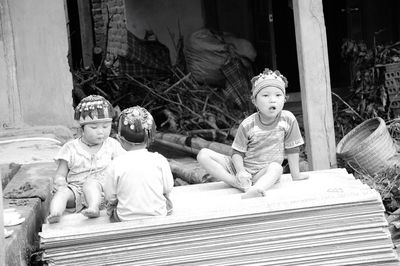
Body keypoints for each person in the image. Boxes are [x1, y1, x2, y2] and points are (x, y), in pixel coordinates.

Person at [197, 68, 308, 199]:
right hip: (241, 169)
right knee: (203, 154)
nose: (272, 100)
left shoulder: (288, 119)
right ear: (254, 101)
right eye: (265, 95)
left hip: (264, 172)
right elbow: (237, 153)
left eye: (278, 95)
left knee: (277, 168)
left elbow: (292, 147)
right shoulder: (247, 124)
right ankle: (237, 183)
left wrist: (296, 175)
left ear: (284, 99)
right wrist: (240, 172)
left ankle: (257, 188)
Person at [47, 95, 126, 223]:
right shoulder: (70, 148)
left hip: (103, 191)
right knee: (62, 193)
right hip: (76, 191)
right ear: (81, 128)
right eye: (94, 128)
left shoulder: (112, 145)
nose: (101, 132)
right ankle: (55, 213)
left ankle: (93, 207)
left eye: (105, 126)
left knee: (91, 184)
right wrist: (60, 181)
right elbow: (60, 174)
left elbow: (124, 166)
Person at [104, 106, 174, 222]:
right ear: (151, 138)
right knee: (167, 201)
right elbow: (167, 188)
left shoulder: (116, 163)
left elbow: (110, 196)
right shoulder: (159, 160)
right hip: (157, 214)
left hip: (124, 218)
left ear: (120, 140)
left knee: (112, 205)